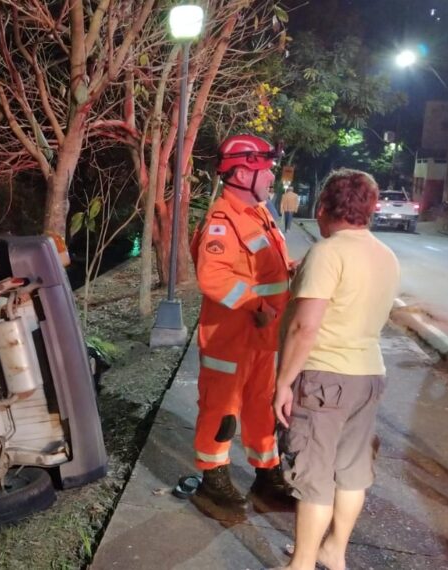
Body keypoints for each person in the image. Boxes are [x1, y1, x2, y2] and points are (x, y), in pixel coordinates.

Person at [271, 169, 400, 570]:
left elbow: (305, 327)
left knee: (314, 473)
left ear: (324, 206)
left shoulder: (328, 253)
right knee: (351, 472)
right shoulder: (385, 255)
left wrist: (283, 383)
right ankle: (334, 551)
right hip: (368, 375)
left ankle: (302, 564)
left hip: (325, 378)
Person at [188, 133, 295, 510]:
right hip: (229, 340)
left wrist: (292, 270)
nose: (272, 176)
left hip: (261, 338)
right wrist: (258, 303)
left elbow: (263, 268)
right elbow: (213, 277)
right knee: (222, 410)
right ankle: (212, 477)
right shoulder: (223, 220)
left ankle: (267, 474)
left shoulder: (258, 213)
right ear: (243, 174)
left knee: (261, 407)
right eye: (265, 170)